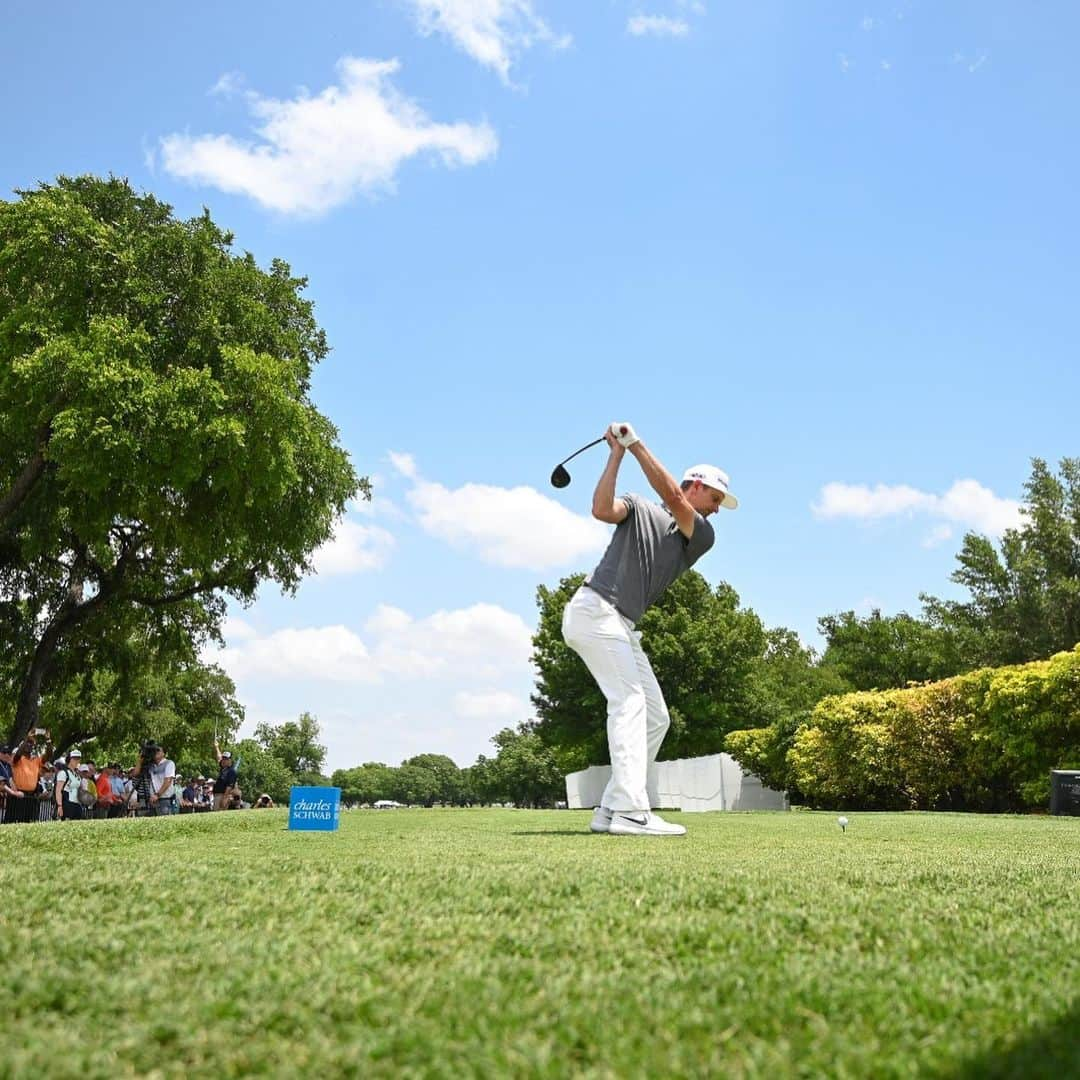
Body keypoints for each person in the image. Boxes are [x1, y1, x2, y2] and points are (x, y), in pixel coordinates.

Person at [561, 422, 738, 837]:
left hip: (619, 623)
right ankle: (629, 812)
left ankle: (610, 808)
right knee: (629, 703)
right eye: (714, 498)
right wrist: (616, 454)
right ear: (697, 486)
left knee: (655, 717)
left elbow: (673, 498)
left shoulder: (701, 535)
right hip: (596, 611)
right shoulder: (639, 506)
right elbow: (602, 510)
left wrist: (634, 443)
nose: (715, 509)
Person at [10, 730, 53, 824]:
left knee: (30, 823)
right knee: (16, 823)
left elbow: (49, 755)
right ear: (23, 745)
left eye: (31, 744)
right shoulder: (18, 759)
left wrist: (48, 740)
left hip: (31, 797)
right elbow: (17, 754)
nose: (29, 745)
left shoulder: (36, 760)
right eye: (27, 743)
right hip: (18, 797)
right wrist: (27, 738)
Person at [146, 744, 178, 816]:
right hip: (153, 800)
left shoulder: (169, 763)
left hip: (165, 799)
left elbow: (168, 781)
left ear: (164, 753)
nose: (156, 752)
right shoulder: (151, 766)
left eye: (158, 750)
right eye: (154, 750)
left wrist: (157, 795)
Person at [55, 749, 85, 821]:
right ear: (69, 759)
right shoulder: (63, 773)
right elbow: (58, 791)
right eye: (74, 758)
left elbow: (79, 789)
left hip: (77, 805)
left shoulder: (77, 775)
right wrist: (59, 806)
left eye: (78, 759)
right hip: (67, 804)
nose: (77, 761)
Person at [211, 741, 237, 811]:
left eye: (226, 759)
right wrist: (216, 747)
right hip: (218, 795)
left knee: (218, 814)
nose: (224, 760)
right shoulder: (223, 768)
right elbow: (219, 757)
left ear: (230, 760)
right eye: (223, 758)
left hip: (222, 796)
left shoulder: (231, 771)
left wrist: (224, 799)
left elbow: (229, 787)